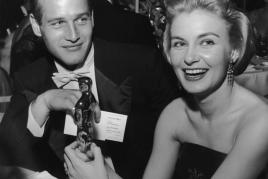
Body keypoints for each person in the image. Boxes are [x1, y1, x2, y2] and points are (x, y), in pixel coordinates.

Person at [64, 0, 268, 179]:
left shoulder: (260, 123)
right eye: (180, 43)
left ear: (233, 50)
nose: (189, 57)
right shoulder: (174, 114)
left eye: (207, 42)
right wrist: (104, 172)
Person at [0, 0, 180, 178]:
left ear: (92, 18)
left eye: (81, 20)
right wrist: (44, 102)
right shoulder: (29, 78)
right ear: (36, 25)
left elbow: (182, 145)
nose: (72, 35)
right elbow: (7, 151)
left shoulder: (143, 64)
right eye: (58, 23)